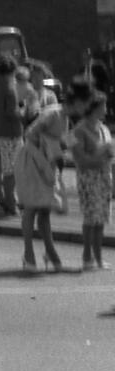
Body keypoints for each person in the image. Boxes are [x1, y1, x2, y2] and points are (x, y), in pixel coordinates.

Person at [14, 78, 93, 272]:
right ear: (78, 102)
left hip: (45, 165)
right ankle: (28, 254)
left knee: (44, 210)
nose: (86, 109)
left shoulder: (66, 119)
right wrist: (51, 148)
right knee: (32, 208)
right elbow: (31, 134)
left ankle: (50, 251)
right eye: (86, 104)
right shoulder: (54, 113)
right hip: (32, 162)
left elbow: (63, 142)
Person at [71, 91, 113, 271]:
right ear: (94, 108)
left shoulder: (103, 128)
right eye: (102, 106)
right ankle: (86, 256)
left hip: (103, 177)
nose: (105, 109)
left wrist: (108, 154)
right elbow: (79, 159)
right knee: (90, 218)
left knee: (101, 219)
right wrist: (101, 156)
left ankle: (98, 257)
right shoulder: (78, 130)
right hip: (88, 179)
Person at [0, 55, 24, 214]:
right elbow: (11, 111)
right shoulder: (9, 88)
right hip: (11, 132)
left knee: (3, 167)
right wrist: (24, 112)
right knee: (13, 169)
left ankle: (5, 198)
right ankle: (11, 203)